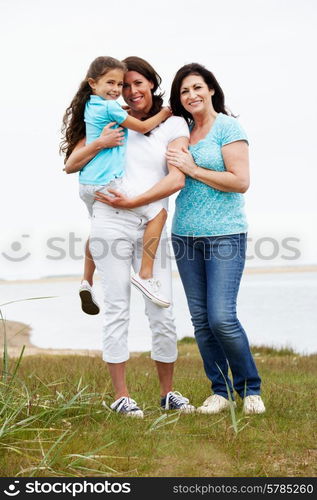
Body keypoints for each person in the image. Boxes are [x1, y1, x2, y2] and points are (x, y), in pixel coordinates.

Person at [65, 56, 195, 418]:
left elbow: (176, 178)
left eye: (139, 83)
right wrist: (100, 142)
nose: (132, 90)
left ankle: (168, 394)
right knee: (118, 307)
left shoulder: (173, 125)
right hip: (112, 217)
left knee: (162, 310)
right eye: (125, 85)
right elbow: (73, 162)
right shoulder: (110, 114)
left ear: (152, 83)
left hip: (151, 219)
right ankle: (122, 397)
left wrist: (137, 200)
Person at [165, 63, 265, 415]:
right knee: (202, 321)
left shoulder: (228, 127)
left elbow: (240, 181)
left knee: (222, 317)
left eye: (196, 87)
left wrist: (193, 169)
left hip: (225, 233)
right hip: (185, 236)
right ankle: (220, 392)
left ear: (210, 90)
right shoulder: (181, 132)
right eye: (184, 91)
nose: (191, 95)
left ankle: (250, 389)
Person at [60, 56, 173, 312]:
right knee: (158, 212)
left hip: (86, 186)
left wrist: (115, 116)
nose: (116, 89)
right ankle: (145, 275)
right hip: (106, 184)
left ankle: (86, 280)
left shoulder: (90, 104)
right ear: (93, 82)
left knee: (96, 229)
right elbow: (143, 127)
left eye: (119, 83)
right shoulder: (111, 108)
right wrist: (165, 113)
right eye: (112, 83)